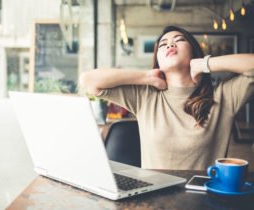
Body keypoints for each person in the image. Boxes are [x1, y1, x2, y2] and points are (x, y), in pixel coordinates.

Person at [79, 26, 254, 170]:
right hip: (154, 199)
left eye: (179, 40)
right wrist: (146, 77)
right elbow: (88, 80)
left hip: (202, 200)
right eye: (163, 45)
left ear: (194, 51)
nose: (170, 44)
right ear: (158, 60)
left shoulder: (223, 97)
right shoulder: (145, 97)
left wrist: (204, 64)